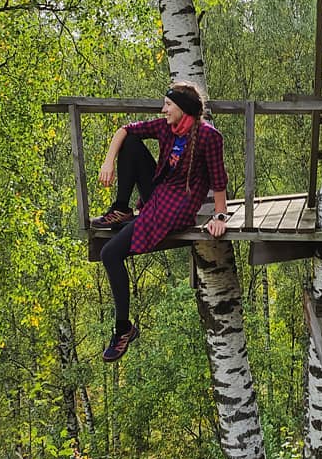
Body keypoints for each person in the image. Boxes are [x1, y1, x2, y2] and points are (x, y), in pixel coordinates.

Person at [92, 84, 229, 361]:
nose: (163, 110)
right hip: (160, 192)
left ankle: (123, 329)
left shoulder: (208, 137)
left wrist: (219, 216)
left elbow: (218, 181)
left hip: (177, 206)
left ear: (183, 108)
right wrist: (108, 162)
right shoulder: (168, 127)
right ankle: (121, 208)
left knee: (110, 253)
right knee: (131, 142)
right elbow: (125, 130)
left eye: (168, 105)